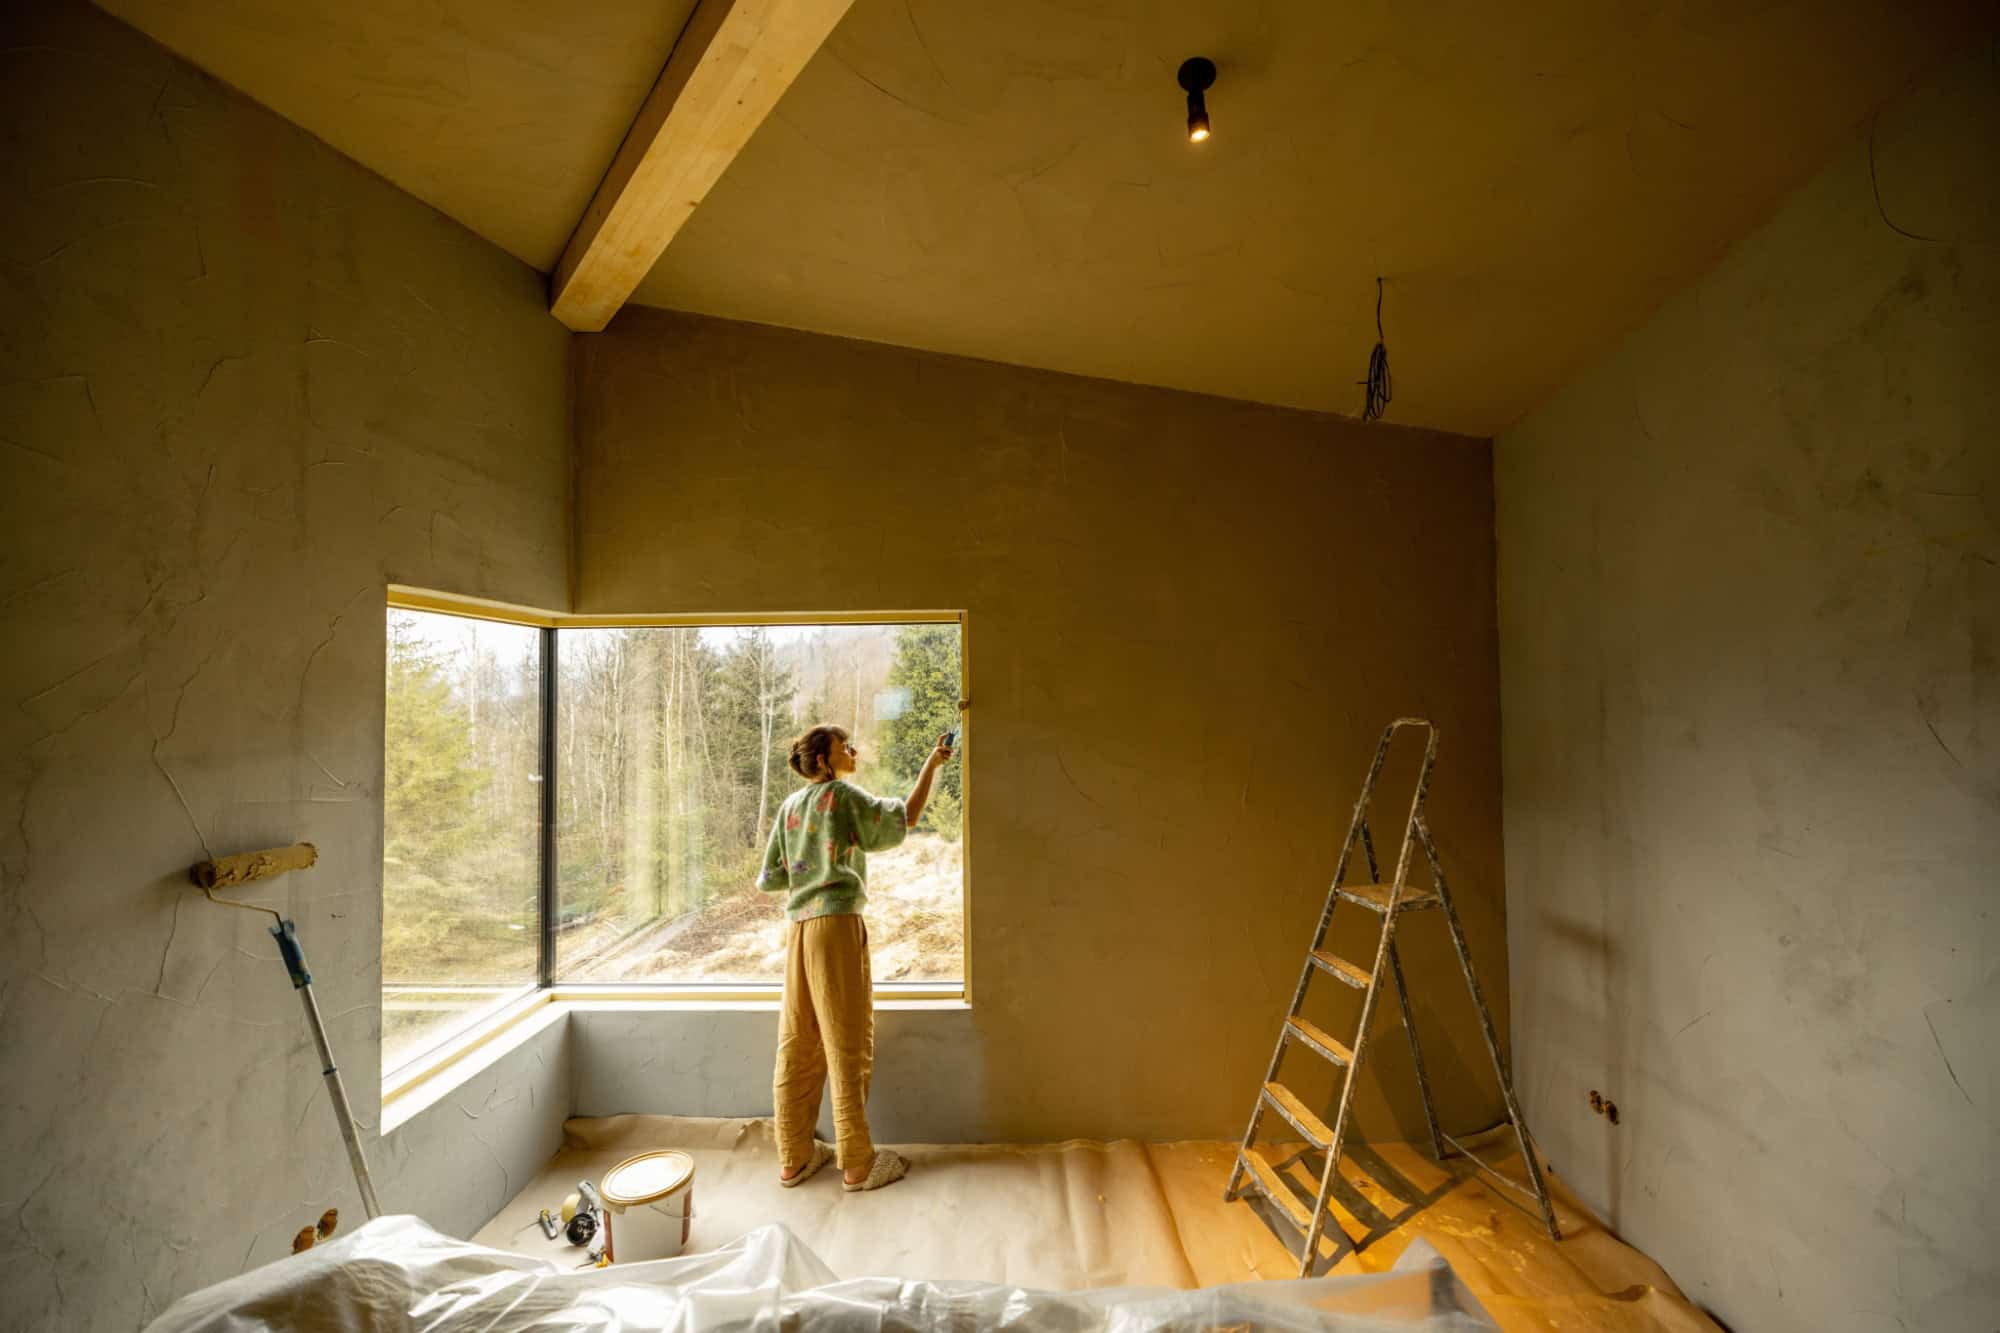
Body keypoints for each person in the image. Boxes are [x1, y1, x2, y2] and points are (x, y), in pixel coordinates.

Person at [757, 722, 955, 1191]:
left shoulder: (789, 807)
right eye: (844, 746)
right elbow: (903, 818)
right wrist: (932, 764)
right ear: (825, 761)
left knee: (798, 1043)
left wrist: (810, 867)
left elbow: (770, 878)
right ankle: (857, 1163)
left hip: (799, 929)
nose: (853, 750)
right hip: (837, 925)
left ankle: (794, 1157)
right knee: (846, 1042)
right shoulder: (841, 798)